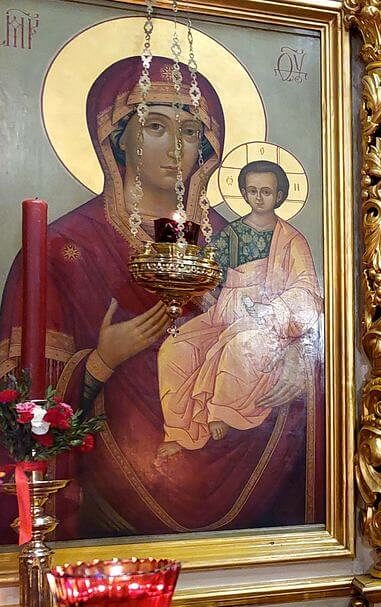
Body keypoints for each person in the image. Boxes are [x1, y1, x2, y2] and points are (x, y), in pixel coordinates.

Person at [0, 57, 318, 539]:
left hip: (249, 464)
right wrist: (103, 360)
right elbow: (25, 407)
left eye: (189, 131)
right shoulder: (64, 248)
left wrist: (295, 359)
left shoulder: (233, 241)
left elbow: (287, 317)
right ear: (116, 138)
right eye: (155, 127)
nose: (175, 148)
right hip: (114, 489)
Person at [156, 160, 321, 457]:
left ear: (279, 195)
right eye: (252, 191)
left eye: (266, 192)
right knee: (175, 349)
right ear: (244, 193)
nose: (259, 198)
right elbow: (208, 274)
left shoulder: (291, 240)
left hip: (267, 321)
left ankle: (222, 411)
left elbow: (305, 289)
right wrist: (200, 287)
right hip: (223, 315)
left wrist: (274, 311)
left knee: (241, 346)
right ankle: (181, 430)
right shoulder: (230, 234)